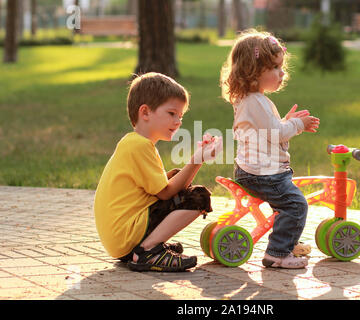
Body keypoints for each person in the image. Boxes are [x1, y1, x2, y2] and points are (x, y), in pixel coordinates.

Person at [94, 72, 222, 272]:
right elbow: (165, 193)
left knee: (178, 176)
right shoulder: (140, 146)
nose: (178, 121)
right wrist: (198, 159)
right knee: (198, 197)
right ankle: (147, 251)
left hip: (119, 240)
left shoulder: (133, 143)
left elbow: (158, 188)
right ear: (145, 112)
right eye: (172, 113)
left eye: (180, 116)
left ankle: (145, 247)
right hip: (126, 235)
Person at [220, 29, 320, 269]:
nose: (281, 73)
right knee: (296, 205)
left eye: (280, 67)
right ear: (253, 72)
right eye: (274, 68)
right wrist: (297, 125)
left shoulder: (251, 99)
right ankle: (278, 253)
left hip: (255, 170)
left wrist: (285, 122)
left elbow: (268, 132)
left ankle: (287, 239)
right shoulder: (255, 101)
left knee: (288, 203)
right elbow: (276, 134)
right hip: (264, 175)